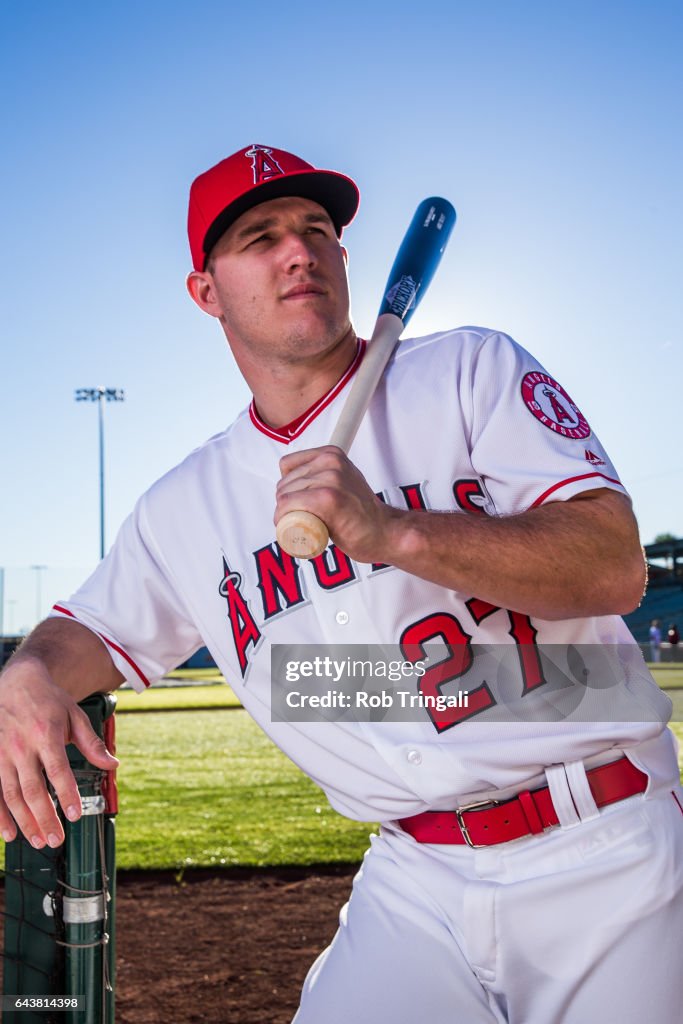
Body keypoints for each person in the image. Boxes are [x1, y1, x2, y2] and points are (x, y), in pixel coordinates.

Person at [1, 144, 682, 1024]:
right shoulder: (185, 507)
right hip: (414, 878)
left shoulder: (468, 373)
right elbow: (87, 633)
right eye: (259, 237)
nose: (299, 251)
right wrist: (30, 670)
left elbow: (611, 564)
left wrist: (395, 531)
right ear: (205, 292)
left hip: (605, 842)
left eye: (315, 229)